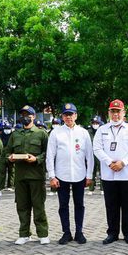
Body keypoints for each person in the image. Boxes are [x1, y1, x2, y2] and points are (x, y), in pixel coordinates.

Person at [93, 99, 128, 244]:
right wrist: (109, 162)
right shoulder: (102, 130)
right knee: (111, 206)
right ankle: (112, 233)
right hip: (109, 175)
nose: (115, 115)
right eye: (113, 111)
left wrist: (123, 162)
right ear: (109, 113)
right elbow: (97, 149)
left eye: (118, 111)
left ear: (123, 113)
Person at [46, 103, 93, 245]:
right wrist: (52, 176)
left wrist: (89, 175)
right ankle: (66, 232)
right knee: (63, 205)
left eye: (71, 114)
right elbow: (50, 155)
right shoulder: (56, 133)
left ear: (76, 116)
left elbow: (89, 156)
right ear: (62, 116)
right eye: (66, 114)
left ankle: (79, 232)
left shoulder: (83, 133)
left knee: (79, 204)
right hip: (62, 175)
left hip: (79, 174)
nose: (69, 117)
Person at [4, 105, 50, 245]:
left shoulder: (41, 134)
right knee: (22, 207)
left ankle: (43, 234)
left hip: (36, 176)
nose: (25, 117)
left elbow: (47, 153)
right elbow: (6, 152)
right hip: (20, 176)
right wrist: (10, 157)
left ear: (34, 116)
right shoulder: (15, 134)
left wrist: (37, 159)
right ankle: (24, 234)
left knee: (38, 206)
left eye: (28, 115)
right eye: (23, 114)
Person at [87, 116, 104, 195]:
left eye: (97, 123)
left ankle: (102, 188)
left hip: (100, 153)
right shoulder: (88, 131)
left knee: (102, 171)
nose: (95, 124)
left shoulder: (102, 131)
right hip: (91, 153)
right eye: (94, 123)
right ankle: (91, 188)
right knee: (92, 170)